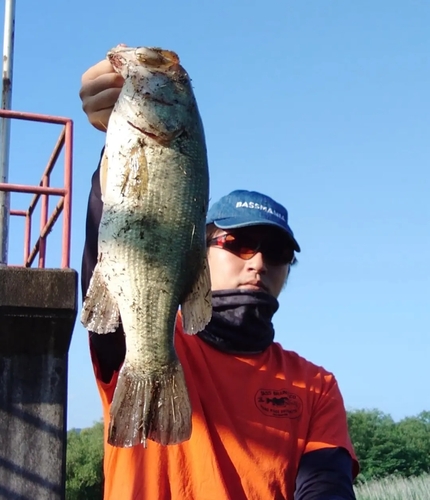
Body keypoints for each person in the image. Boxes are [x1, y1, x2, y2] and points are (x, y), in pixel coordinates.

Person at [80, 55, 359, 500]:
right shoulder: (143, 342)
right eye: (238, 244)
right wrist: (111, 157)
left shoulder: (316, 387)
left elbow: (326, 485)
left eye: (278, 251)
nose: (259, 262)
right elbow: (111, 251)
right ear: (197, 250)